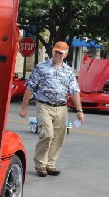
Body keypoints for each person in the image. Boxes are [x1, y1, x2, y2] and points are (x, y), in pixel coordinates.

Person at [18, 41, 84, 177]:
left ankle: (50, 164)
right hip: (44, 106)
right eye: (56, 51)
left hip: (61, 108)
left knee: (59, 137)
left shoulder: (69, 71)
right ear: (52, 51)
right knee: (47, 135)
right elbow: (30, 87)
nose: (57, 54)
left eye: (61, 53)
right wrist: (24, 108)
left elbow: (75, 91)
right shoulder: (41, 68)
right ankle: (40, 164)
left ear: (66, 54)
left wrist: (79, 111)